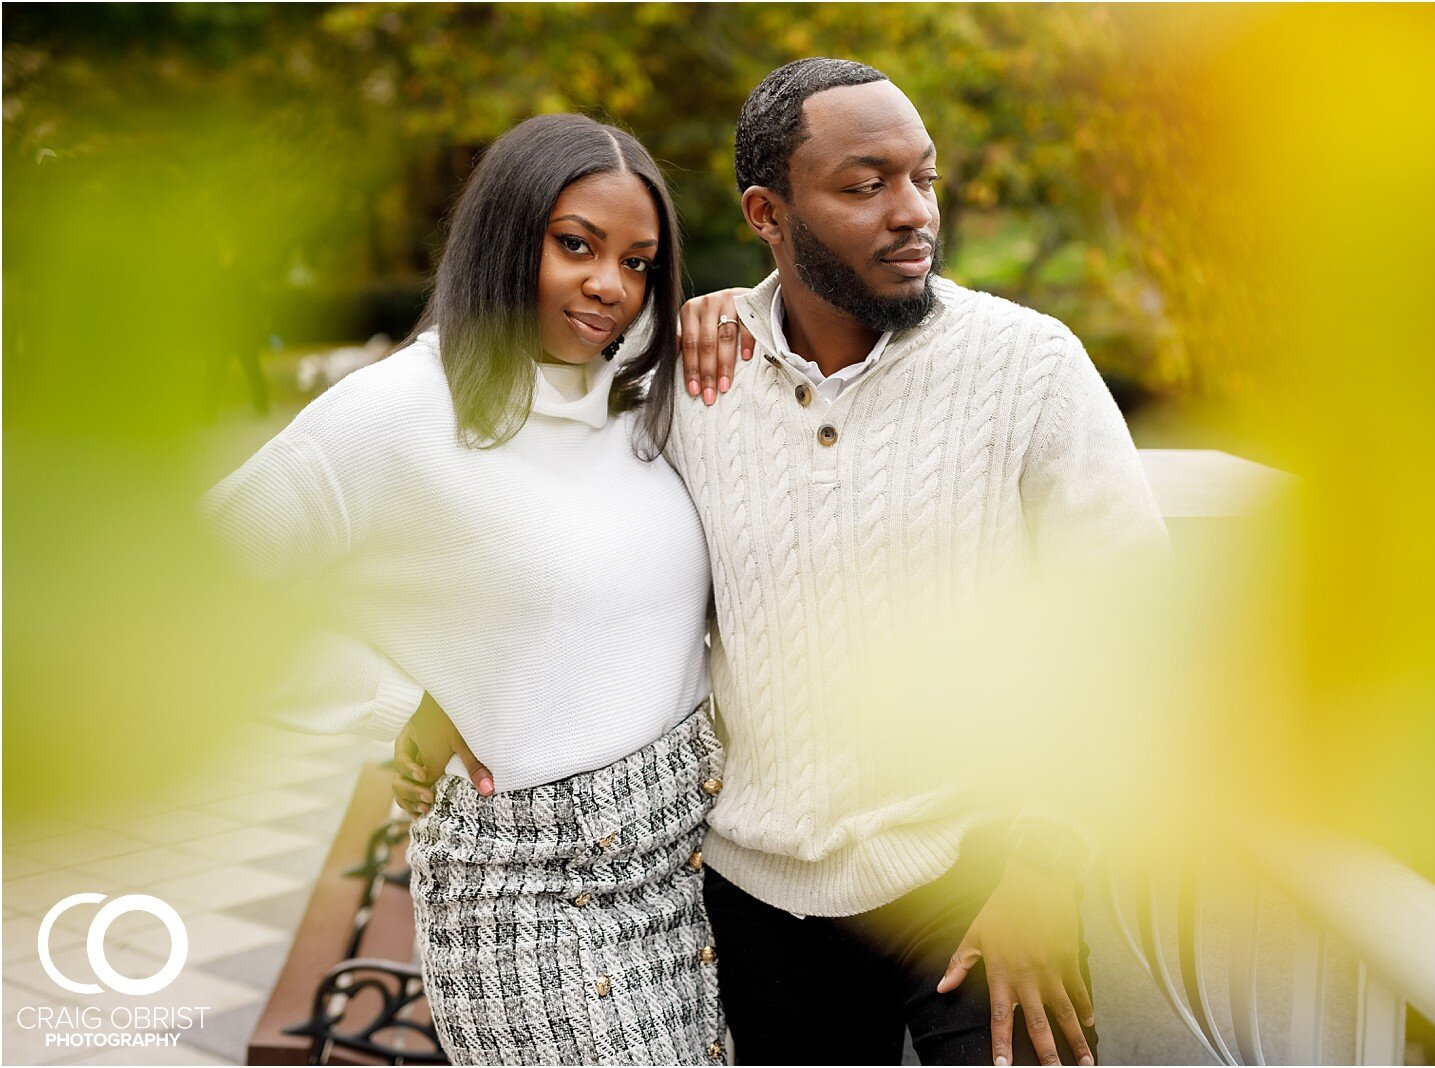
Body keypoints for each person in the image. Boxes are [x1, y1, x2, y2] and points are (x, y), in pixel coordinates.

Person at [403, 58, 1169, 1067]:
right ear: (768, 211)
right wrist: (456, 689)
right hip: (755, 896)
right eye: (864, 185)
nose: (911, 214)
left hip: (978, 875)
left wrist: (1046, 865)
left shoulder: (1028, 366)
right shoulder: (686, 378)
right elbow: (571, 554)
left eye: (923, 179)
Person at [204, 113, 746, 1066]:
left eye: (638, 262)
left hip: (687, 877)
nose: (608, 287)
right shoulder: (397, 413)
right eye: (575, 246)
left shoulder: (635, 397)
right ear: (505, 235)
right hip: (532, 902)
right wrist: (389, 704)